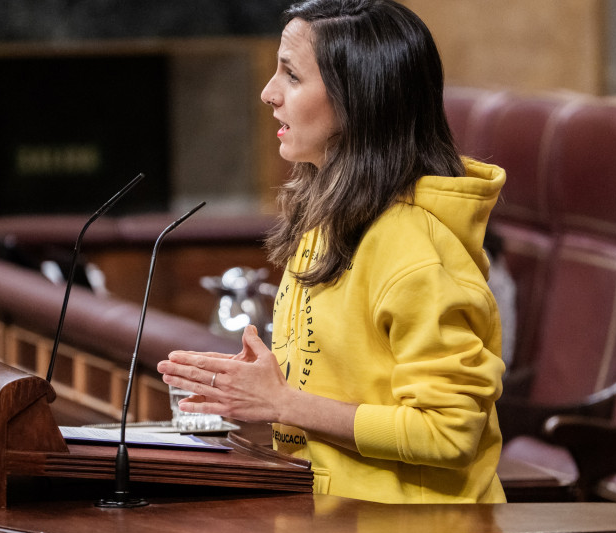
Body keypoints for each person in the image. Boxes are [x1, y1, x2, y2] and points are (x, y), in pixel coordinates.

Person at [158, 0, 507, 504]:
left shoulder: (413, 250)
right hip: (329, 516)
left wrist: (282, 402)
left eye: (292, 76)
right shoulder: (330, 220)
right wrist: (257, 389)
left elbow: (449, 434)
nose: (267, 93)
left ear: (358, 100)